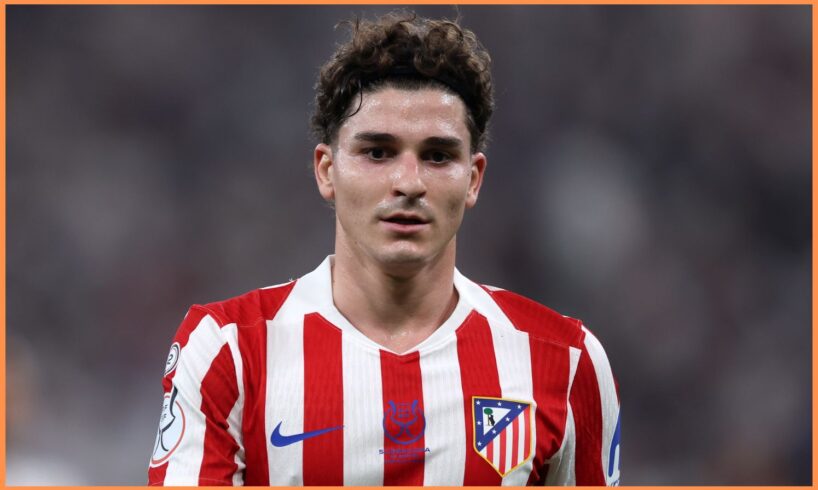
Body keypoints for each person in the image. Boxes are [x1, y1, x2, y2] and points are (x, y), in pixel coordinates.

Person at [148, 11, 620, 486]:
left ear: (473, 179)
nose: (408, 182)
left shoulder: (566, 361)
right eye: (377, 152)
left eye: (437, 156)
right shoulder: (230, 349)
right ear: (327, 171)